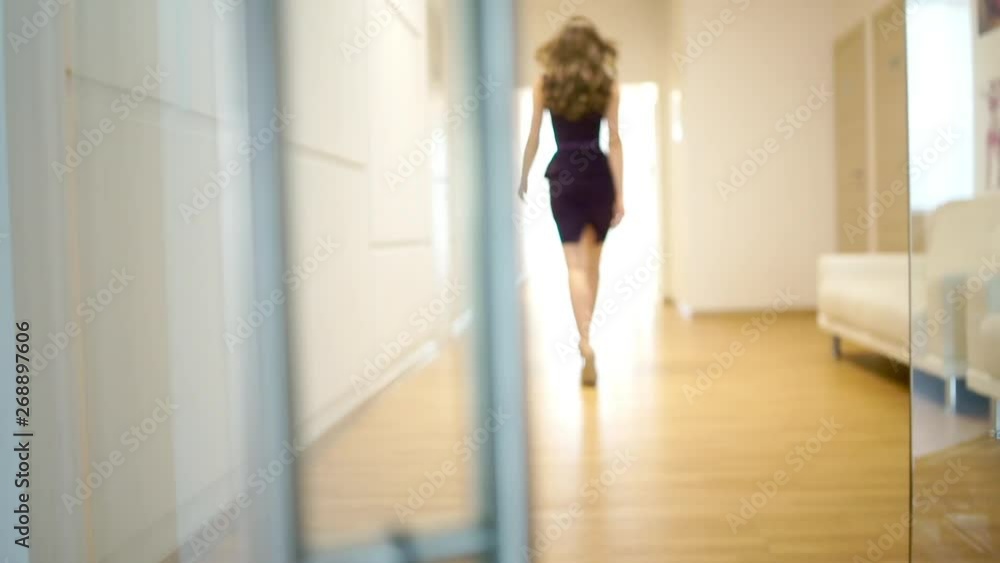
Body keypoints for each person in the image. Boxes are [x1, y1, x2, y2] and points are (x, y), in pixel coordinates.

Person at [518, 16, 624, 386]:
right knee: (592, 265)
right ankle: (587, 336)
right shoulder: (606, 85)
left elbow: (534, 136)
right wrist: (620, 194)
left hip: (564, 173)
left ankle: (584, 340)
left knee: (575, 267)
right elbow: (614, 141)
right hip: (597, 174)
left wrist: (524, 174)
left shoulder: (546, 84)